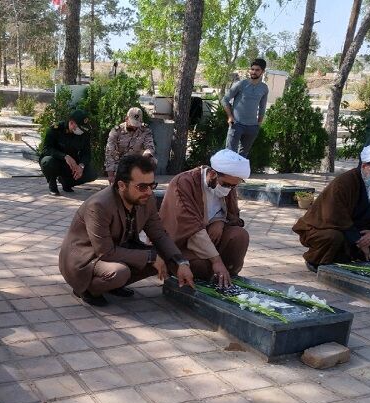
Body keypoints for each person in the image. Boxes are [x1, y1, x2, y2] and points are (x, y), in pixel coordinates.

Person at [59, 154, 194, 307]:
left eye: (152, 185)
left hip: (118, 249)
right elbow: (105, 252)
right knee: (120, 272)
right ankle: (87, 289)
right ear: (122, 185)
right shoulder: (99, 205)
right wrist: (151, 256)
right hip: (86, 259)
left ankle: (114, 286)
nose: (149, 192)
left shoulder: (146, 199)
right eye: (142, 186)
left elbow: (159, 234)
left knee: (162, 256)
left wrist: (181, 263)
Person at [292, 144, 370, 272]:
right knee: (333, 236)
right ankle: (317, 261)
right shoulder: (344, 182)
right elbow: (334, 216)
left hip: (359, 228)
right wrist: (358, 240)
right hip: (329, 226)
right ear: (365, 166)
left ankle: (367, 262)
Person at [158, 149, 249, 287]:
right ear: (212, 174)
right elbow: (190, 227)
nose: (228, 189)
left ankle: (228, 276)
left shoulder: (228, 186)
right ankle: (208, 270)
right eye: (226, 184)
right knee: (201, 266)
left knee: (239, 236)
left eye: (233, 186)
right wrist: (216, 261)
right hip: (183, 242)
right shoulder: (183, 183)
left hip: (209, 239)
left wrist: (219, 221)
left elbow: (231, 216)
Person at [39, 109, 95, 196]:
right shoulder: (56, 129)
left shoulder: (84, 133)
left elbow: (87, 153)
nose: (81, 131)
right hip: (56, 161)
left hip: (72, 165)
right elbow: (46, 149)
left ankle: (67, 183)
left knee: (92, 172)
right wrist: (64, 156)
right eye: (79, 128)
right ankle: (52, 184)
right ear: (71, 123)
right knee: (47, 161)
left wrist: (81, 166)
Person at [222, 58, 269, 157]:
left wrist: (259, 123)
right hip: (236, 125)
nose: (254, 72)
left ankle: (237, 173)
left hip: (252, 127)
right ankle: (227, 173)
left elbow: (262, 107)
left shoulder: (264, 88)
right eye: (252, 69)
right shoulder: (241, 84)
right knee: (229, 155)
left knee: (242, 157)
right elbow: (225, 100)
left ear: (262, 72)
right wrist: (230, 117)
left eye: (257, 70)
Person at [104, 107, 157, 182]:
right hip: (120, 163)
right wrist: (111, 175)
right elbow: (109, 153)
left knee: (152, 160)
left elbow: (150, 147)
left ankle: (146, 182)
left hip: (137, 162)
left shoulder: (145, 130)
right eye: (133, 123)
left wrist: (146, 155)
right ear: (126, 119)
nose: (134, 127)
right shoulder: (116, 131)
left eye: (137, 124)